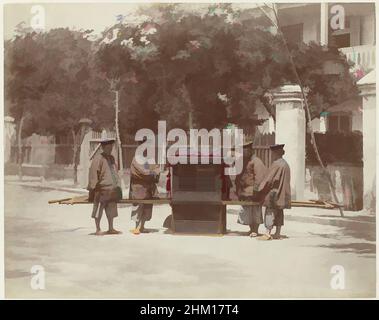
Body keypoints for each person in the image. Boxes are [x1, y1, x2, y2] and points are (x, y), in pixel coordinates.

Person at [87, 138, 122, 236]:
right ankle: (98, 229)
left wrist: (118, 185)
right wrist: (92, 188)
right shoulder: (98, 158)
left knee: (111, 210)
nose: (110, 149)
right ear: (103, 147)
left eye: (111, 147)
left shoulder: (111, 158)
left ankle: (111, 228)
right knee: (98, 210)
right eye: (108, 147)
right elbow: (93, 173)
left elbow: (115, 172)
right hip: (101, 189)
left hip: (112, 189)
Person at [256, 144, 291, 240]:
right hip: (283, 192)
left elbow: (268, 179)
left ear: (275, 153)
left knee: (269, 211)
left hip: (274, 192)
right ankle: (277, 233)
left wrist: (259, 189)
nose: (272, 155)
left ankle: (267, 233)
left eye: (272, 153)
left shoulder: (276, 164)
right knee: (279, 211)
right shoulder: (285, 164)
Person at [235, 141, 268, 237]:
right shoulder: (244, 161)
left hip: (253, 190)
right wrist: (238, 189)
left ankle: (255, 230)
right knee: (247, 210)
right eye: (243, 150)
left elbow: (260, 176)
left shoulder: (257, 161)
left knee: (255, 210)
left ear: (250, 150)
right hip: (245, 191)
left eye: (245, 150)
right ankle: (251, 229)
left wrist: (257, 191)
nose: (244, 153)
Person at [129, 147, 160, 235]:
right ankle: (137, 227)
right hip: (139, 187)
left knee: (147, 207)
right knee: (138, 207)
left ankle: (142, 226)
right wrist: (151, 173)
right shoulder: (136, 160)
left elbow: (157, 170)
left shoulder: (151, 159)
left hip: (149, 187)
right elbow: (141, 172)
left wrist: (152, 173)